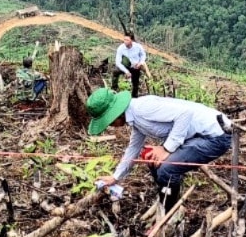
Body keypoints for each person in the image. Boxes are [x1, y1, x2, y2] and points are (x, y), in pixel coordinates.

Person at [87, 87, 231, 210]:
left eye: (108, 121)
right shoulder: (135, 119)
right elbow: (134, 148)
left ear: (114, 114)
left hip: (215, 136)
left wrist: (166, 149)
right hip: (194, 135)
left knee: (167, 169)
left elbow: (185, 114)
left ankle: (168, 215)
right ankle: (167, 197)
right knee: (152, 158)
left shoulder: (142, 108)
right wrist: (116, 177)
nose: (110, 125)